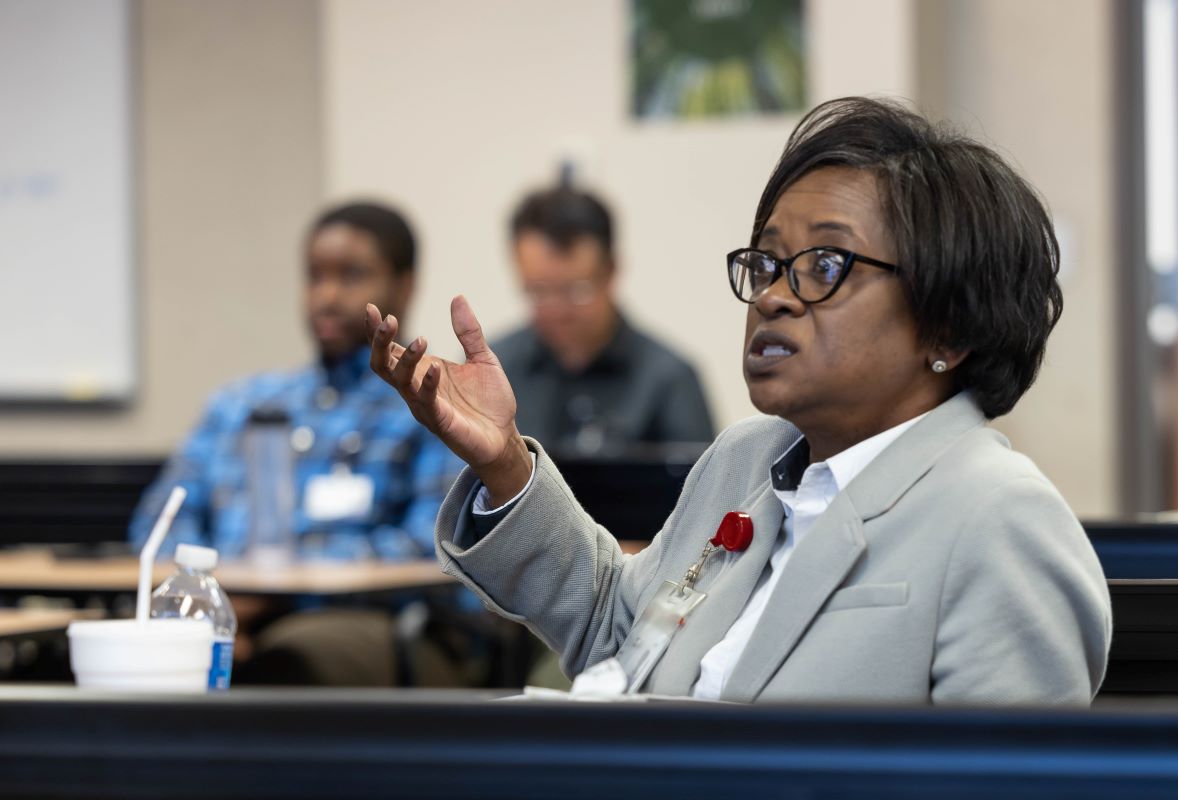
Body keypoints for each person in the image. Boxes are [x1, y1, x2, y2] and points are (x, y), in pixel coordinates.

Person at [365, 97, 1112, 704]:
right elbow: (616, 634)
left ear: (948, 324)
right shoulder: (745, 462)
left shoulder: (1000, 519)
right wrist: (504, 466)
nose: (776, 297)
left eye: (824, 264)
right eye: (769, 261)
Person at [131, 201, 464, 686]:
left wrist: (271, 595)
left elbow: (434, 548)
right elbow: (157, 523)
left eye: (351, 276)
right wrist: (211, 604)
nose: (326, 296)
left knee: (289, 662)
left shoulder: (429, 403)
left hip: (370, 623)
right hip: (221, 614)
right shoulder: (239, 404)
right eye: (314, 276)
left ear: (405, 285)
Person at [490, 185, 714, 455]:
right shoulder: (498, 370)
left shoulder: (669, 379)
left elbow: (706, 491)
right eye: (539, 291)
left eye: (576, 290)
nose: (558, 311)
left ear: (611, 271)